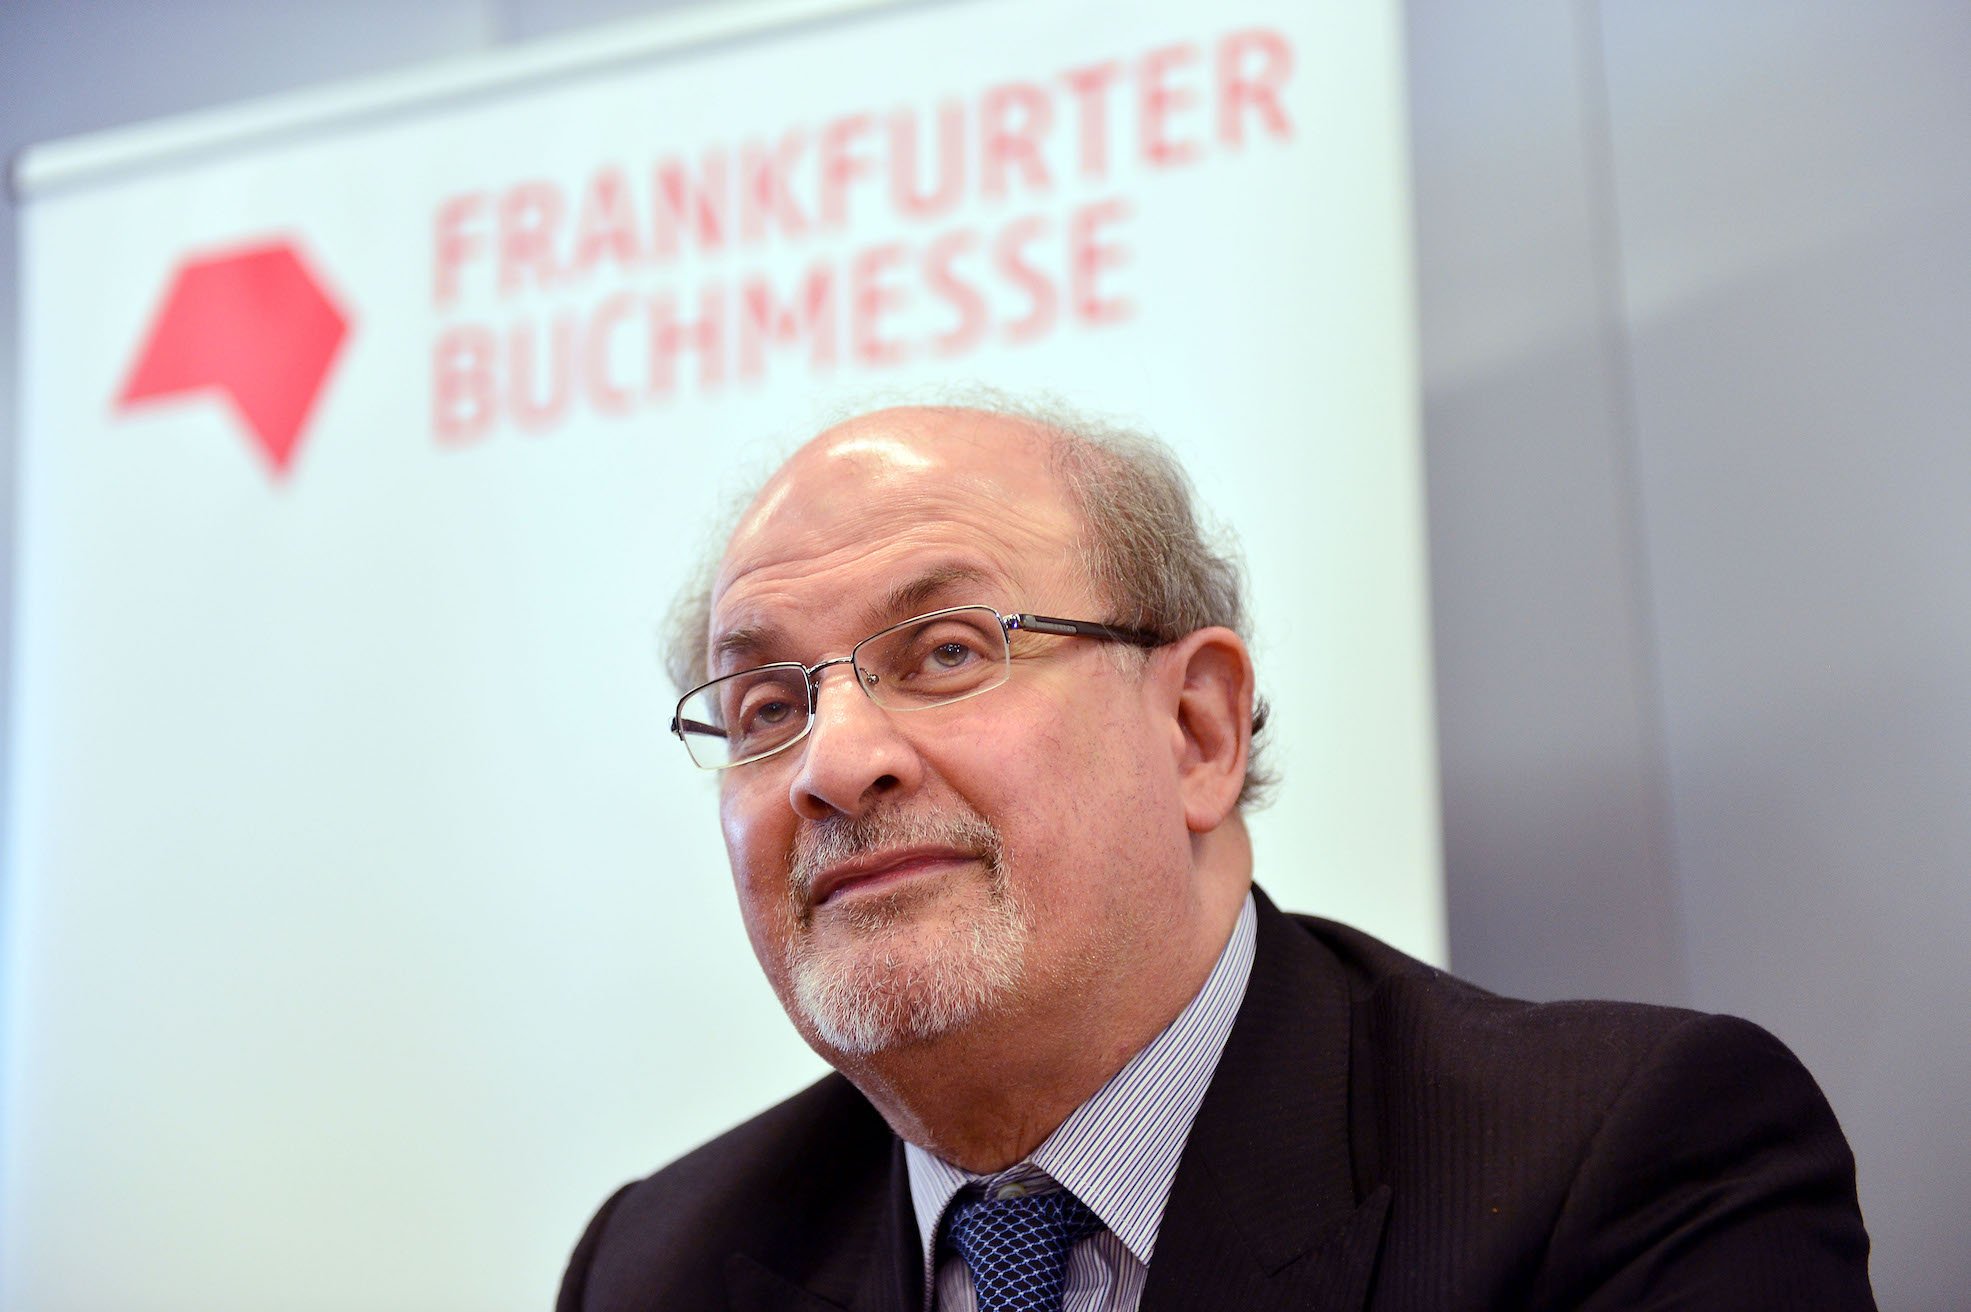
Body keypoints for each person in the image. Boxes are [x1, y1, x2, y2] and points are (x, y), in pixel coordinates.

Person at [558, 400, 1874, 1311]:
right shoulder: (658, 1271)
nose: (833, 765)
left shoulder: (1620, 1168)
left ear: (1197, 729)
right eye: (766, 710)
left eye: (949, 653)